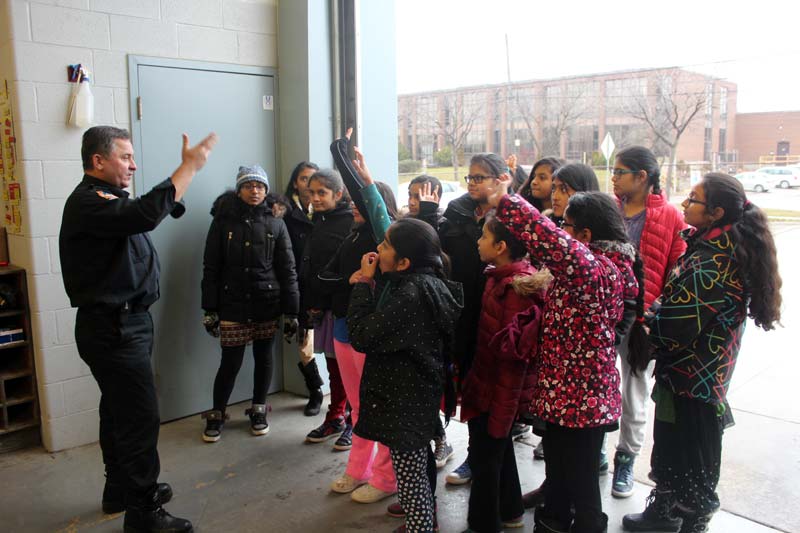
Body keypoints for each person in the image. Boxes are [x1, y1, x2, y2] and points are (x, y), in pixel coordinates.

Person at [59, 126, 217, 532]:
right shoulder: (88, 201)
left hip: (123, 324)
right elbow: (143, 214)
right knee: (139, 418)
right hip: (114, 327)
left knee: (118, 410)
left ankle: (121, 489)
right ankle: (143, 512)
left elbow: (145, 212)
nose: (132, 165)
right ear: (98, 161)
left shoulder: (108, 198)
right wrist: (189, 167)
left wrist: (173, 194)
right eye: (125, 157)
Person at [623, 173, 782, 533]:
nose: (684, 203)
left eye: (693, 199)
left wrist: (647, 330)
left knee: (692, 459)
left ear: (716, 212)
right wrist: (656, 316)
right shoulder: (706, 248)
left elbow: (675, 325)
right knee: (673, 450)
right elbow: (671, 298)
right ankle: (665, 511)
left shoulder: (714, 262)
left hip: (695, 381)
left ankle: (691, 521)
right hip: (689, 378)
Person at [486, 177, 637, 533]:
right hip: (563, 395)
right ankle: (552, 521)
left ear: (584, 235)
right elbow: (551, 249)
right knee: (558, 474)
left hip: (582, 401)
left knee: (582, 484)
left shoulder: (597, 271)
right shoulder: (586, 268)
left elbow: (554, 244)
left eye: (566, 224)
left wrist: (507, 202)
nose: (559, 228)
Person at [347, 217, 464, 533]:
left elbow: (361, 335)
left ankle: (420, 526)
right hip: (419, 394)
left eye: (386, 245)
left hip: (403, 401)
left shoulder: (410, 295)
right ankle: (424, 522)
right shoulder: (428, 284)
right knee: (419, 467)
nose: (378, 248)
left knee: (410, 480)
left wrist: (363, 284)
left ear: (404, 262)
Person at [460, 217, 550, 532]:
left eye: (483, 236)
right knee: (496, 450)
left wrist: (502, 409)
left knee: (485, 458)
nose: (478, 241)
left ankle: (483, 523)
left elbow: (514, 362)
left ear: (500, 247)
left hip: (498, 392)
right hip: (488, 384)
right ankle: (510, 509)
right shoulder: (498, 278)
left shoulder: (515, 290)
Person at [322, 137, 398, 504]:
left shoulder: (387, 235)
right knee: (357, 406)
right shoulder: (352, 236)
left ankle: (386, 477)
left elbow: (373, 207)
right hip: (344, 326)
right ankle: (358, 468)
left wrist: (348, 162)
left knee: (377, 406)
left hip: (371, 332)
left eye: (361, 200)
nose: (353, 204)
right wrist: (347, 279)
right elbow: (327, 274)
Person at [200, 165, 299, 442]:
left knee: (264, 358)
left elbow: (288, 269)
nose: (254, 191)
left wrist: (291, 312)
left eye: (259, 186)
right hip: (232, 302)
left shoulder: (276, 222)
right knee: (230, 361)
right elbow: (211, 267)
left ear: (266, 190)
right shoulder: (223, 221)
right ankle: (217, 412)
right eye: (248, 186)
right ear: (239, 190)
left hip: (266, 302)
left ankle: (259, 409)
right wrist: (210, 309)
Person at [609, 146, 687, 498]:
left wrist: (654, 310)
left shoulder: (669, 216)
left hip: (641, 320)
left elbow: (677, 270)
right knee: (597, 385)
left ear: (642, 177)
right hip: (605, 312)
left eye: (620, 171)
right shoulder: (609, 208)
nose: (614, 177)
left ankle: (626, 458)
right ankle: (595, 450)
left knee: (634, 390)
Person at [440, 154, 499, 486]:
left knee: (493, 397)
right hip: (462, 314)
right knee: (470, 392)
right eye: (471, 177)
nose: (473, 183)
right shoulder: (456, 211)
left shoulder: (509, 215)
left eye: (481, 177)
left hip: (496, 314)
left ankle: (488, 460)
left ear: (499, 180)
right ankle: (474, 456)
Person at [301, 169, 355, 450]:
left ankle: (354, 420)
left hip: (345, 307)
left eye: (322, 192)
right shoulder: (319, 219)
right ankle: (336, 417)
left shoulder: (350, 221)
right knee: (334, 367)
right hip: (323, 305)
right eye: (312, 192)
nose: (316, 198)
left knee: (351, 369)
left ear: (338, 193)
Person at [282, 161, 325, 416]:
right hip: (298, 285)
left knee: (331, 342)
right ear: (295, 183)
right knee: (304, 342)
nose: (308, 185)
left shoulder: (326, 210)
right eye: (303, 179)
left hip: (324, 285)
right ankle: (315, 390)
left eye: (313, 179)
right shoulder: (285, 212)